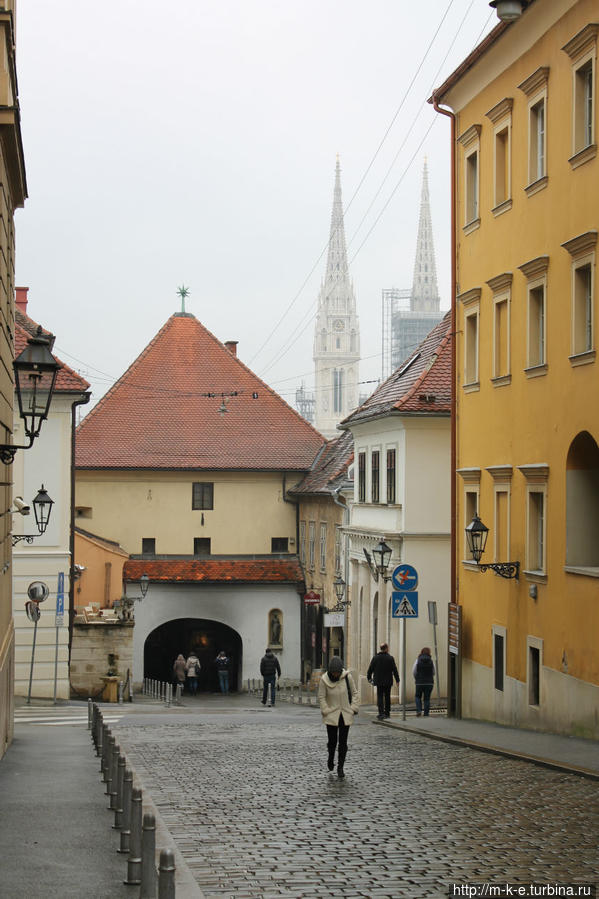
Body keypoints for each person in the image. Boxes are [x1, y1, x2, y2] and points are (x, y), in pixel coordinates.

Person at [317, 656, 358, 779]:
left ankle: (341, 767)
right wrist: (325, 710)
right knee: (332, 741)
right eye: (333, 672)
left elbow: (355, 693)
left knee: (343, 742)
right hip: (331, 715)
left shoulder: (347, 678)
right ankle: (330, 758)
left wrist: (353, 708)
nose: (335, 675)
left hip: (345, 714)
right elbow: (321, 697)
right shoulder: (324, 680)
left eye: (337, 672)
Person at [367, 642, 400, 720]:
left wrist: (369, 678)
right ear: (386, 648)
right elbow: (394, 670)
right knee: (387, 697)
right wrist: (397, 680)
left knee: (380, 697)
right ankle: (387, 713)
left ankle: (381, 713)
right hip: (388, 681)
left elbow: (370, 669)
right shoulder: (390, 658)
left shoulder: (375, 658)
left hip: (379, 681)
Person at [412, 646, 435, 717]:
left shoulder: (417, 660)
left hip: (419, 682)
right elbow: (433, 672)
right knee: (427, 698)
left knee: (417, 696)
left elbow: (414, 671)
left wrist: (417, 678)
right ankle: (426, 713)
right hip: (429, 683)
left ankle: (419, 710)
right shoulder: (431, 661)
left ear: (421, 652)